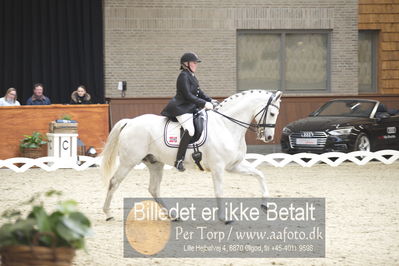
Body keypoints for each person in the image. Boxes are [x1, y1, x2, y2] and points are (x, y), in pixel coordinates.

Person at [161, 52, 215, 172]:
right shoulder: (183, 76)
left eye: (196, 63)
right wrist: (204, 104)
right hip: (181, 107)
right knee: (190, 130)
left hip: (190, 107)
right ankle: (179, 160)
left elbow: (199, 92)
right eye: (194, 63)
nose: (196, 65)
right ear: (186, 64)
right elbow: (188, 95)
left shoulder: (192, 75)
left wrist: (210, 100)